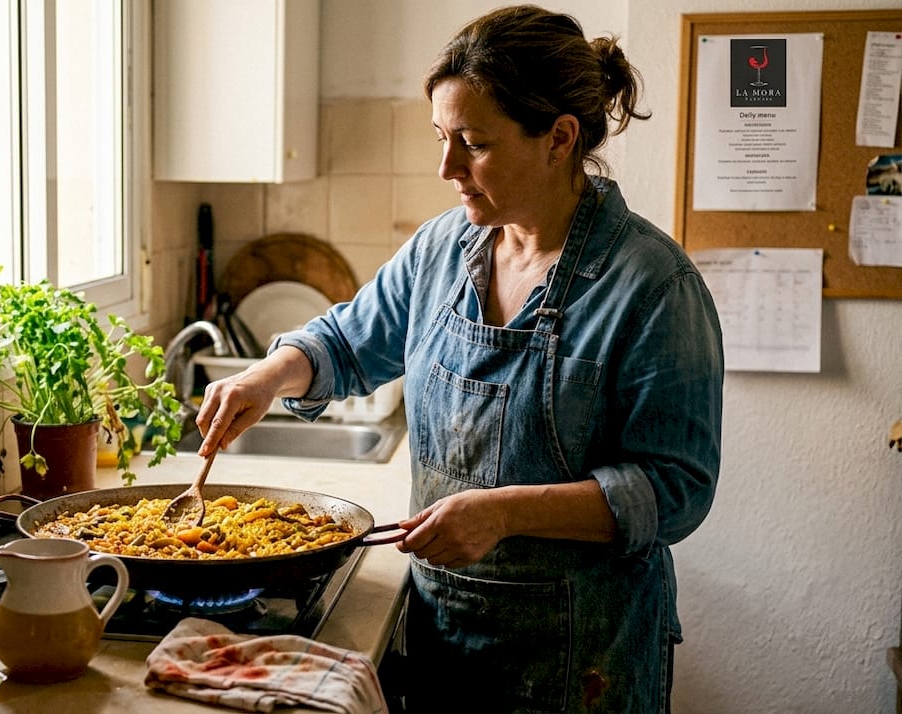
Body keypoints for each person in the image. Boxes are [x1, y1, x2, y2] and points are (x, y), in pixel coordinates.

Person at [194, 5, 723, 713]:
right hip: (445, 634)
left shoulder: (654, 286)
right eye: (441, 139)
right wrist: (268, 374)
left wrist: (502, 514)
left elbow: (675, 490)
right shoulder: (443, 249)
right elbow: (351, 339)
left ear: (559, 139)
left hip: (583, 658)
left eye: (472, 143)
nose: (447, 168)